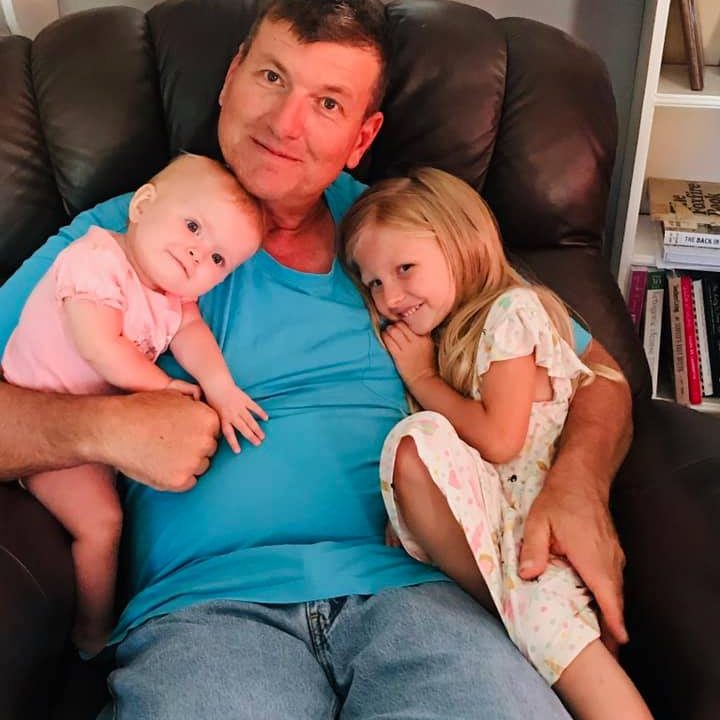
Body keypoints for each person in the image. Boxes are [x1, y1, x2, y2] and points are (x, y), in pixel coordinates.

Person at [0, 2, 632, 718]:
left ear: (362, 138)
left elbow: (599, 372)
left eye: (328, 102)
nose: (285, 123)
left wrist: (578, 486)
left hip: (422, 593)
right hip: (208, 610)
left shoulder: (399, 240)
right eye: (272, 77)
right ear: (231, 79)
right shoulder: (126, 235)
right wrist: (104, 429)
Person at [340, 167, 652, 720]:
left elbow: (500, 440)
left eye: (405, 269)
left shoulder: (510, 314)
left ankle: (510, 612)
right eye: (374, 284)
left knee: (570, 653)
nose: (391, 297)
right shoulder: (455, 331)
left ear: (463, 243)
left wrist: (423, 379)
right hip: (501, 523)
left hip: (534, 526)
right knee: (415, 447)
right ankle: (501, 607)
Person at [1, 153, 267, 655]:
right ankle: (93, 630)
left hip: (99, 427)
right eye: (193, 227)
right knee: (102, 525)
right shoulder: (96, 258)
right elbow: (99, 346)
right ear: (143, 205)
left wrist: (222, 388)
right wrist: (162, 388)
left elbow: (193, 335)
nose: (198, 254)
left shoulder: (171, 297)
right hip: (45, 414)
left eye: (218, 260)